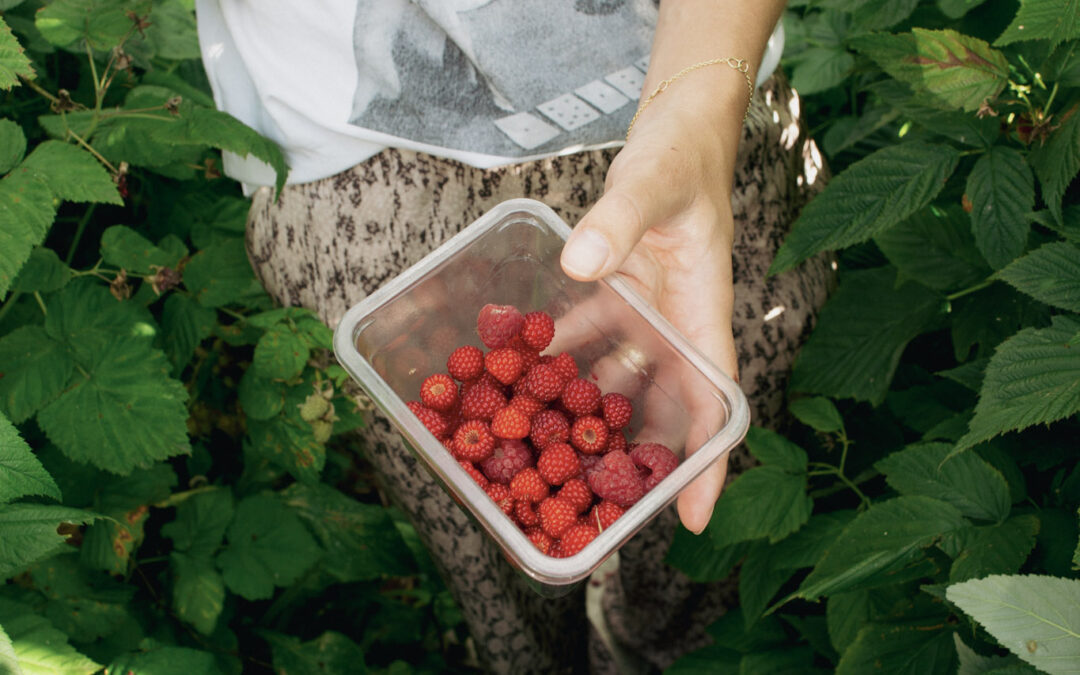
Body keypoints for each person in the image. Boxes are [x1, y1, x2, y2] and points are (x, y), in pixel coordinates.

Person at [196, 1, 831, 672]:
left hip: (690, 101)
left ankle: (658, 651)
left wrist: (699, 112)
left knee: (710, 487)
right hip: (350, 158)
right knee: (482, 549)